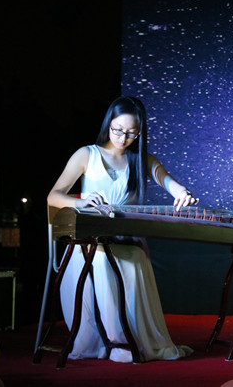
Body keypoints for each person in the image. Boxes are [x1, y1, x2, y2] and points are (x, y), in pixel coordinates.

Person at [47, 95, 199, 362]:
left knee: (133, 256)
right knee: (102, 259)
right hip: (91, 243)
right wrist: (81, 202)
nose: (123, 137)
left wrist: (182, 192)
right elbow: (53, 196)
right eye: (118, 129)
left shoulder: (141, 160)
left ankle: (127, 341)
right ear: (109, 123)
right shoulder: (87, 155)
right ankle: (113, 340)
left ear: (139, 132)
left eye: (131, 133)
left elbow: (169, 182)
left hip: (126, 241)